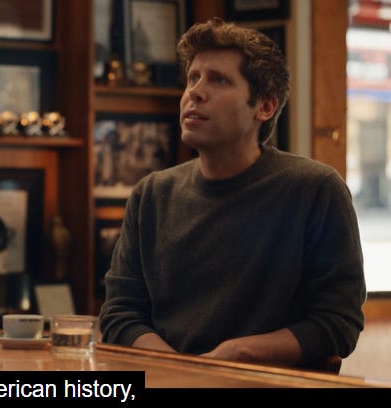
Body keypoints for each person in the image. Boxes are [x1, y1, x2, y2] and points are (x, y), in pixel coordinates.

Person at [98, 18, 366, 370]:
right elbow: (120, 312)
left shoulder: (315, 189)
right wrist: (181, 372)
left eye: (218, 80)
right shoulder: (152, 194)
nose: (195, 92)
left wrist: (235, 355)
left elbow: (338, 322)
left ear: (264, 107)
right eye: (193, 78)